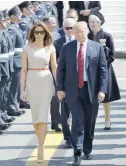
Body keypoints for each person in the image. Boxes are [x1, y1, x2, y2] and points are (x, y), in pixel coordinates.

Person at [57, 21, 108, 166]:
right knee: (77, 122)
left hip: (91, 90)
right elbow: (61, 70)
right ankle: (77, 151)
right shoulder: (68, 48)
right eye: (76, 32)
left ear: (87, 31)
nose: (79, 34)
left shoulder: (97, 47)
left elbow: (103, 71)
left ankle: (87, 149)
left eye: (82, 31)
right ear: (73, 32)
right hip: (73, 90)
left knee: (89, 122)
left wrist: (102, 90)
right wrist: (60, 89)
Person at [20, 22, 57, 163]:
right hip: (31, 81)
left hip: (46, 81)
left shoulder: (50, 48)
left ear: (46, 33)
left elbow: (54, 68)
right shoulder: (27, 49)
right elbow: (23, 70)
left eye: (42, 32)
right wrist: (21, 89)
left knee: (42, 115)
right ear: (33, 34)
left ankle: (41, 147)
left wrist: (59, 86)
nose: (39, 35)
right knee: (35, 117)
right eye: (37, 32)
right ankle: (40, 139)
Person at [88, 12, 120, 130]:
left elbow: (112, 55)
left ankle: (107, 119)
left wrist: (102, 65)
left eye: (94, 22)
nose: (92, 24)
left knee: (105, 96)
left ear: (99, 23)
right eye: (90, 22)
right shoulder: (87, 36)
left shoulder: (107, 36)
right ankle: (91, 119)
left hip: (105, 70)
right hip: (90, 71)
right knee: (90, 94)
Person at [54, 17, 76, 148]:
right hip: (65, 82)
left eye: (71, 28)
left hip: (79, 82)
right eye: (66, 28)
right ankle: (68, 137)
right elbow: (56, 64)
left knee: (78, 112)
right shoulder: (57, 43)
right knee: (65, 114)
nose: (69, 30)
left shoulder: (81, 41)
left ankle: (77, 136)